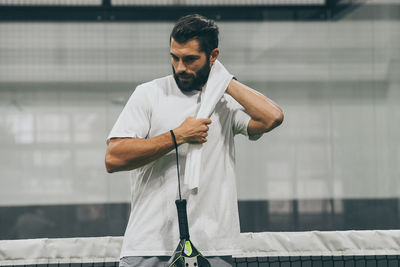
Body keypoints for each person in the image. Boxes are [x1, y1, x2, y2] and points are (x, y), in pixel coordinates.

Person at [105, 14, 284, 267]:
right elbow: (114, 157)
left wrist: (223, 80)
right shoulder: (148, 94)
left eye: (190, 59)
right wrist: (178, 136)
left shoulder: (224, 102)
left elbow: (272, 117)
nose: (180, 67)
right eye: (174, 57)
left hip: (213, 245)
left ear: (212, 56)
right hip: (149, 244)